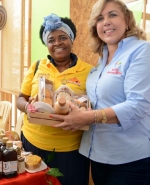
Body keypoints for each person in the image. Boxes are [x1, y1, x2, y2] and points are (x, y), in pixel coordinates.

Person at [52, 0, 150, 185]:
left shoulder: (143, 51)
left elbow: (137, 106)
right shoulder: (100, 63)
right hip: (100, 157)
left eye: (112, 15)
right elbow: (99, 102)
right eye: (99, 18)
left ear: (127, 20)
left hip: (135, 159)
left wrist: (87, 117)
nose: (106, 22)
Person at [17, 13, 93, 185]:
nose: (57, 43)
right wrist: (27, 107)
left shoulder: (89, 71)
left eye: (62, 37)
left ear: (71, 39)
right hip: (32, 144)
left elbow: (94, 105)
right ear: (46, 44)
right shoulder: (37, 66)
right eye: (51, 40)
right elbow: (21, 98)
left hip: (71, 150)